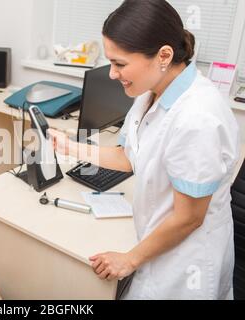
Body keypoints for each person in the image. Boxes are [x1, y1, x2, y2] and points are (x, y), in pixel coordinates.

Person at [49, 0, 240, 299]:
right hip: (156, 242)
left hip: (187, 265)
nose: (112, 74)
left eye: (120, 64)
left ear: (164, 55)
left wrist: (130, 259)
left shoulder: (198, 118)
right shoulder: (150, 93)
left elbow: (189, 217)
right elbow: (129, 157)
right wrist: (71, 147)